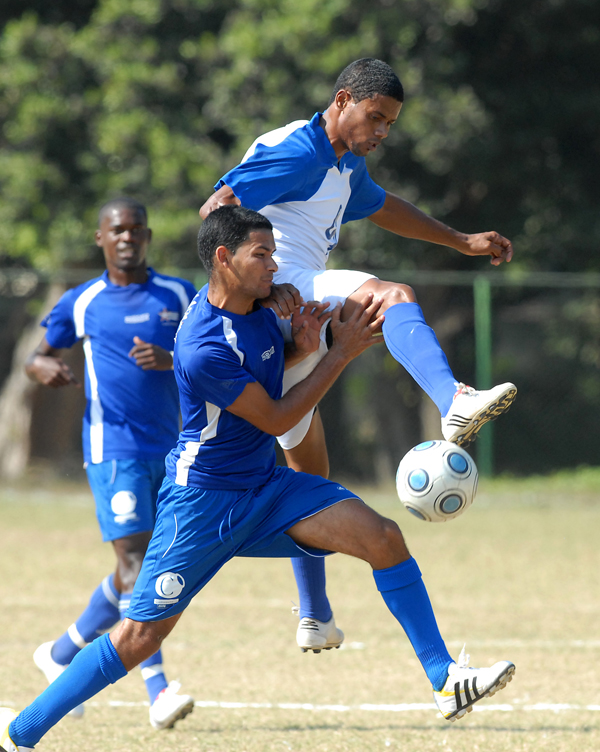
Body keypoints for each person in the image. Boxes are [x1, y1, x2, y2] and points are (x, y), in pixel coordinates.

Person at [0, 206, 515, 752]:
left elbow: (274, 370)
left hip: (267, 490)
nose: (275, 265)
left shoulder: (263, 303)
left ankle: (444, 681)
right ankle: (20, 733)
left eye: (274, 253)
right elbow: (275, 418)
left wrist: (303, 342)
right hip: (201, 506)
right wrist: (337, 354)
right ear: (224, 258)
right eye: (263, 254)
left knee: (383, 538)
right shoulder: (202, 346)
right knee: (137, 636)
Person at [199, 57, 517, 649]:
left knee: (309, 475)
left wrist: (459, 240)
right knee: (390, 295)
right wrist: (264, 286)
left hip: (292, 321)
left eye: (390, 125)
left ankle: (314, 615)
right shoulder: (297, 150)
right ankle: (454, 400)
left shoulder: (345, 164)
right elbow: (216, 211)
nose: (381, 132)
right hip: (279, 301)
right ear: (342, 100)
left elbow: (384, 205)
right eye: (375, 117)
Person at [23, 197, 198, 730]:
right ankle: (158, 688)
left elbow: (207, 351)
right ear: (100, 238)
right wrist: (45, 369)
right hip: (112, 449)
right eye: (117, 230)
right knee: (138, 567)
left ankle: (60, 653)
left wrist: (171, 358)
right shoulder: (84, 301)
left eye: (136, 229)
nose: (128, 237)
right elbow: (37, 356)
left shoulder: (178, 294)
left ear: (147, 237)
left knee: (146, 566)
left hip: (171, 449)